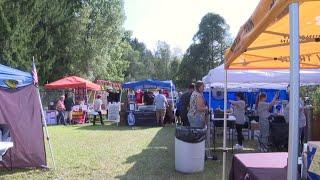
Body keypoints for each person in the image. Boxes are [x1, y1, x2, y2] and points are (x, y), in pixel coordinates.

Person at [284, 87, 306, 152]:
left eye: (289, 93)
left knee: (296, 139)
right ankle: (297, 153)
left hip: (298, 123)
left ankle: (298, 154)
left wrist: (292, 111)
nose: (288, 94)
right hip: (297, 122)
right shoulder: (294, 99)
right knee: (296, 139)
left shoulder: (296, 99)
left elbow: (300, 108)